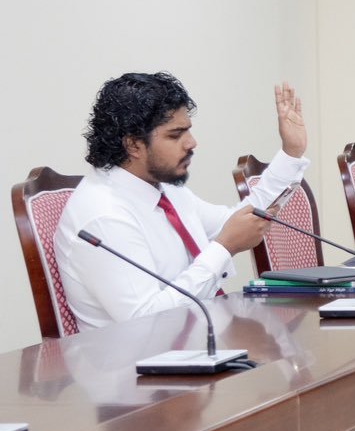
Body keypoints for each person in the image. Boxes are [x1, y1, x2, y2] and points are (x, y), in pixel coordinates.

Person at [55, 73, 299, 330]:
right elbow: (146, 321)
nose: (192, 143)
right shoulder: (104, 215)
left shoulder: (162, 189)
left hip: (199, 338)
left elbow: (239, 221)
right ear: (134, 145)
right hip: (140, 353)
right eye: (175, 135)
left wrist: (291, 153)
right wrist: (224, 247)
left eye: (188, 130)